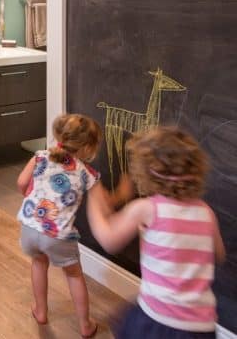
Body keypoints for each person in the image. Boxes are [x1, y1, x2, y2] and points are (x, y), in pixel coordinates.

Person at [87, 127, 226, 338]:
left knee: (122, 322)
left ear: (146, 171)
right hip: (201, 325)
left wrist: (94, 198)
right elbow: (218, 255)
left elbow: (108, 240)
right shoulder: (206, 212)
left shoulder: (147, 209)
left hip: (159, 321)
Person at [16, 113, 103, 337]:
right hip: (57, 235)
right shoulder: (86, 172)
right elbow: (104, 203)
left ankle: (41, 311)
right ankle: (85, 325)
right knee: (73, 274)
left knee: (38, 262)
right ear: (87, 148)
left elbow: (21, 183)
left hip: (29, 227)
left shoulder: (40, 157)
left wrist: (27, 193)